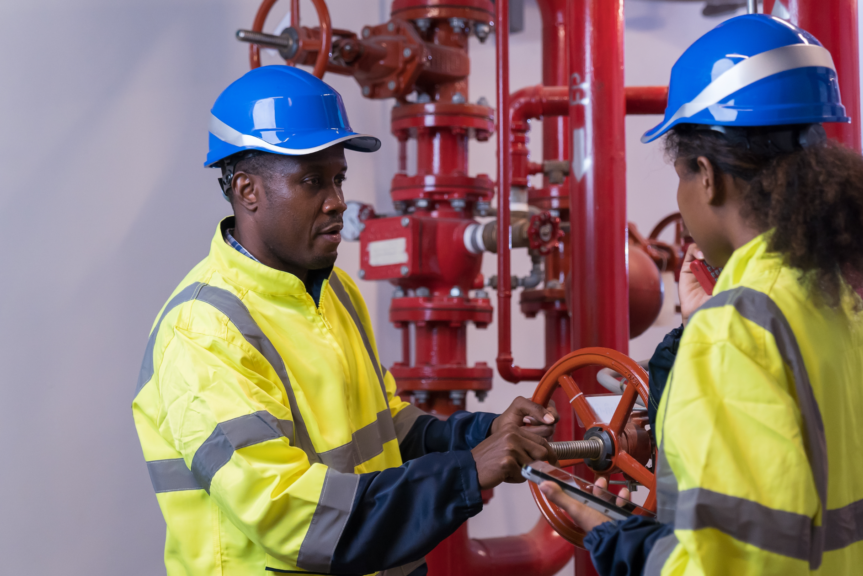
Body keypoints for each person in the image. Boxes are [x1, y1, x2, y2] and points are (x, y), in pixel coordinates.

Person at [132, 65, 558, 576]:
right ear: (247, 190)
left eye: (338, 179)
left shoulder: (334, 289)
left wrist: (480, 435)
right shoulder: (205, 331)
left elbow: (384, 424)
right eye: (312, 181)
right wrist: (468, 471)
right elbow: (290, 517)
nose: (337, 202)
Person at [540, 14, 863, 575]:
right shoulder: (838, 302)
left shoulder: (733, 332)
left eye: (681, 175)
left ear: (707, 176)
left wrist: (624, 544)